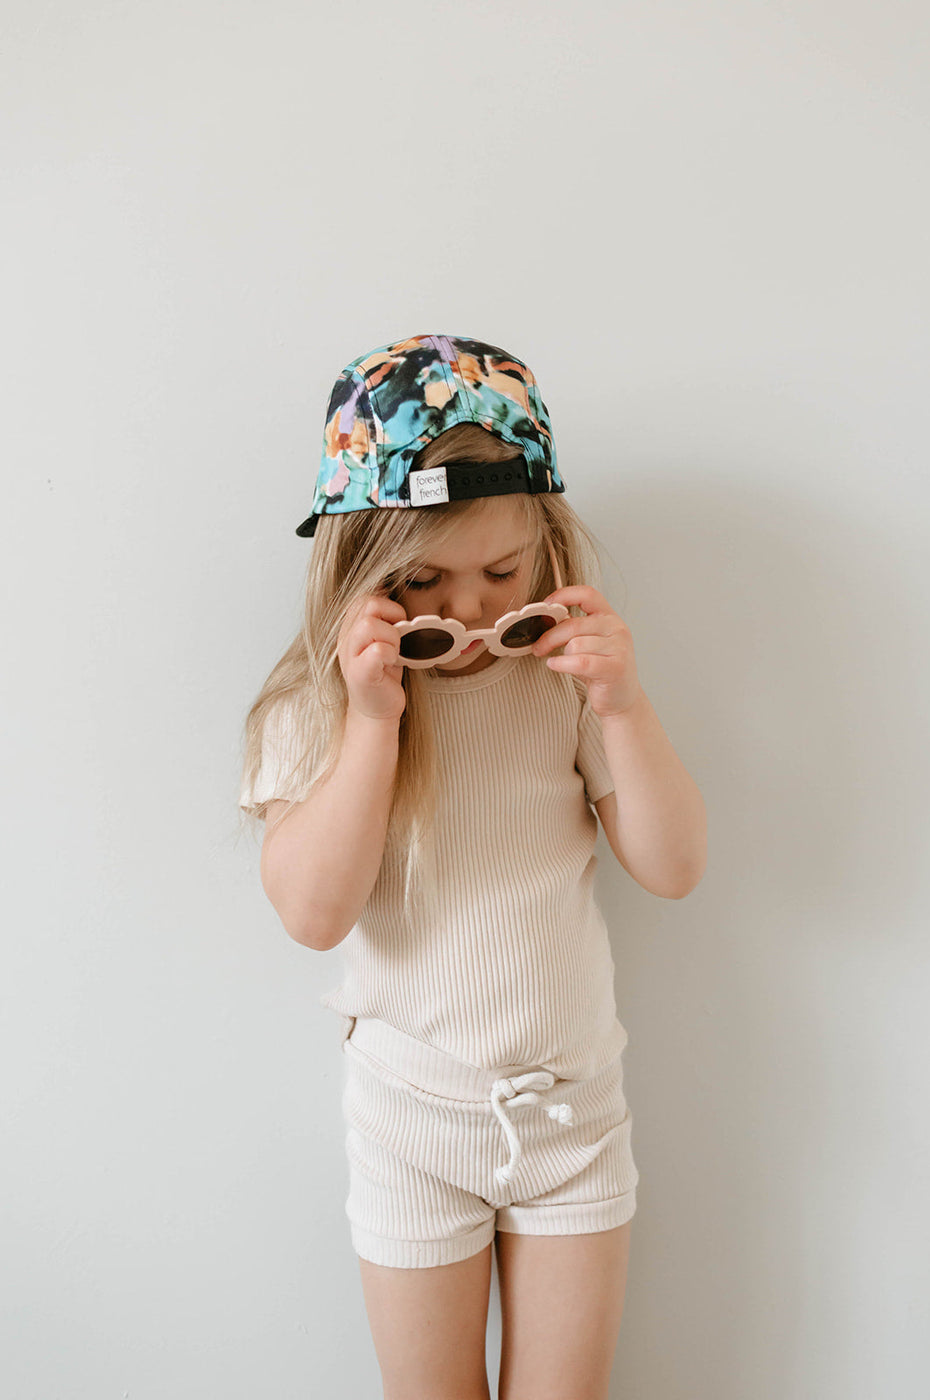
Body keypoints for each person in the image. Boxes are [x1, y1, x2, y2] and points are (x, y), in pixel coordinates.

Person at [239, 332, 707, 1400]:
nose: (477, 605)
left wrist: (622, 707)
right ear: (362, 565)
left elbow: (673, 865)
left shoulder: (562, 688)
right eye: (426, 578)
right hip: (411, 1121)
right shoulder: (315, 706)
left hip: (571, 1118)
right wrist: (370, 723)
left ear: (546, 542)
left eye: (504, 570)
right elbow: (312, 912)